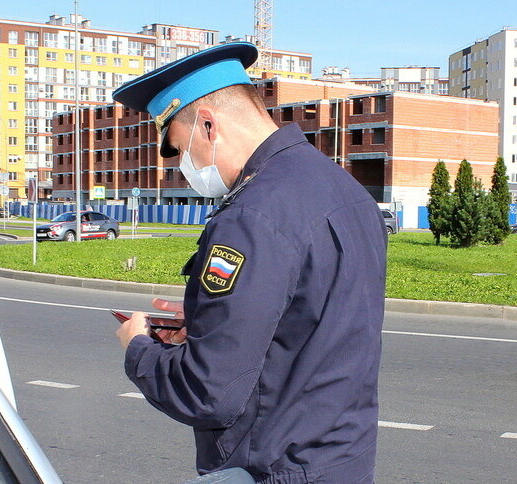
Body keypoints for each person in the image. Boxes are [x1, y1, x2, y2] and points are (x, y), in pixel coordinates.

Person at [112, 42, 386, 483]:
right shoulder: (343, 188)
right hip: (342, 461)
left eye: (181, 150)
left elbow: (208, 392)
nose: (183, 167)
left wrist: (139, 349)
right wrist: (213, 320)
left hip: (271, 468)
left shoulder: (251, 215)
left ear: (207, 126)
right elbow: (312, 318)